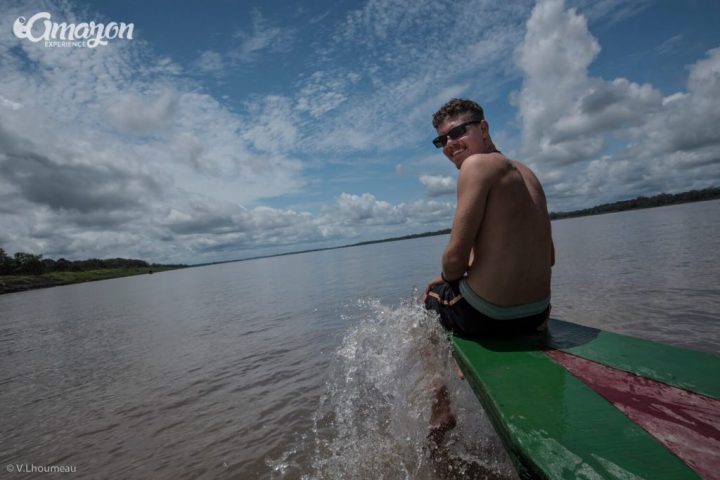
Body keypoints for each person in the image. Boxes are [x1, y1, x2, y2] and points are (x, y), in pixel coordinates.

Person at [423, 98, 555, 337]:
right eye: (442, 140)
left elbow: (453, 261)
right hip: (538, 313)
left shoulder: (475, 165)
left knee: (424, 301)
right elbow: (551, 257)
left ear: (483, 129)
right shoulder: (528, 173)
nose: (449, 144)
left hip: (488, 316)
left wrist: (443, 278)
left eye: (457, 132)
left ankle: (439, 374)